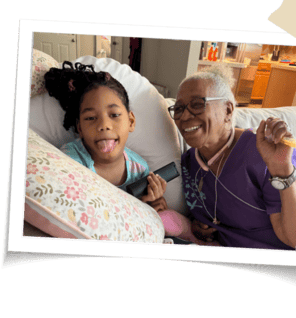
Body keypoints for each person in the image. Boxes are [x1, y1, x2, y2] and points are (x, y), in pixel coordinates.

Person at [44, 61, 207, 245]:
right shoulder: (70, 162)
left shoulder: (139, 169)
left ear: (130, 121)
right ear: (79, 128)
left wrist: (154, 204)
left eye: (114, 115)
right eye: (90, 118)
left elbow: (142, 219)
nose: (103, 125)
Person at [168, 65, 296, 250]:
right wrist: (198, 226)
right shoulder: (189, 165)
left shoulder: (266, 152)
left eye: (198, 104)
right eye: (179, 108)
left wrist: (282, 169)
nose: (184, 116)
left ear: (228, 110)